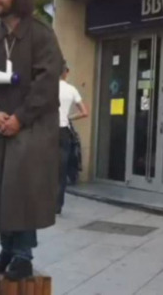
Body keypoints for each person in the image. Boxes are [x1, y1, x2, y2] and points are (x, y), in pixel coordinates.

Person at [0, 0, 65, 280]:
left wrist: (20, 117)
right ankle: (8, 250)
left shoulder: (41, 34)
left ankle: (23, 255)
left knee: (22, 186)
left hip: (33, 127)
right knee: (0, 188)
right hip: (1, 127)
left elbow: (47, 82)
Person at [58, 65, 88, 214]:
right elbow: (84, 112)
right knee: (61, 169)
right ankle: (58, 205)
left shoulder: (47, 88)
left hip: (47, 131)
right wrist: (69, 117)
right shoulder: (71, 90)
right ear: (67, 73)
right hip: (63, 131)